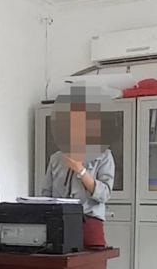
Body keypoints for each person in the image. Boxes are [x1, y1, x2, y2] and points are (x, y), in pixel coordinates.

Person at [41, 86, 115, 248]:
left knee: (92, 262)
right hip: (59, 222)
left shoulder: (103, 155)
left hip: (89, 221)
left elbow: (104, 194)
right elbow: (46, 194)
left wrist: (80, 170)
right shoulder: (56, 158)